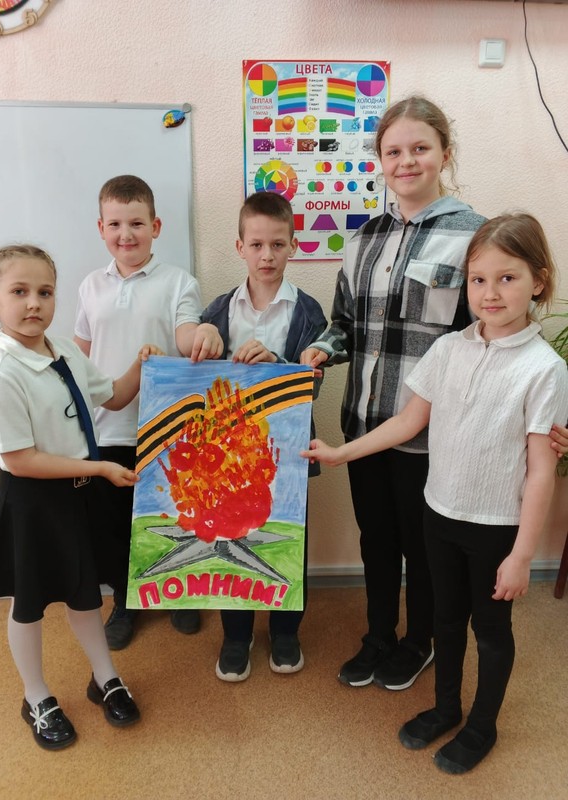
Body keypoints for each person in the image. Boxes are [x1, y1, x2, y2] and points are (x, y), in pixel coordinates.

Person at [302, 212, 568, 774]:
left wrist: (523, 555)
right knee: (445, 622)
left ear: (538, 281)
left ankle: (482, 726)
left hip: (496, 528)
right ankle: (446, 707)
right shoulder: (448, 349)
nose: (490, 293)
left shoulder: (544, 369)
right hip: (439, 514)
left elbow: (542, 471)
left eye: (507, 278)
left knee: (489, 631)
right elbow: (407, 422)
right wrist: (342, 453)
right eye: (478, 280)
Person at [301, 96, 487, 692]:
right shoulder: (362, 240)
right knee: (376, 541)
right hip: (363, 426)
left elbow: (484, 338)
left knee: (423, 548)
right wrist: (322, 348)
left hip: (430, 434)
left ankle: (418, 641)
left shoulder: (474, 237)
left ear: (444, 154)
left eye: (419, 148)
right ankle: (378, 635)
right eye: (393, 151)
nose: (406, 161)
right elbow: (345, 325)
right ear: (380, 161)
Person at [0, 245, 163, 750]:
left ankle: (104, 678)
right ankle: (35, 697)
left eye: (45, 291)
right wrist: (99, 467)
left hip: (76, 497)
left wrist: (141, 363)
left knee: (84, 595)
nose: (34, 303)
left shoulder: (64, 351)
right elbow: (20, 460)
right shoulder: (0, 372)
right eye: (19, 292)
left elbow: (113, 395)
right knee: (29, 604)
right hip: (31, 504)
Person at [74, 175, 223, 649]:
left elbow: (185, 334)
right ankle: (125, 600)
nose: (127, 234)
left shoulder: (179, 282)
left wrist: (203, 335)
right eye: (116, 224)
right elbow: (80, 354)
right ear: (101, 228)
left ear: (155, 227)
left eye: (137, 223)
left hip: (166, 429)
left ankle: (178, 593)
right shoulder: (90, 286)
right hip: (107, 430)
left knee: (172, 516)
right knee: (115, 525)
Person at [202, 191, 327, 681]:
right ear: (240, 247)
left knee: (286, 540)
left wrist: (279, 366)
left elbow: (314, 386)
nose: (267, 255)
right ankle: (236, 636)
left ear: (294, 245)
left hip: (288, 452)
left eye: (277, 244)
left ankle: (285, 631)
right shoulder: (218, 310)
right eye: (256, 245)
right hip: (229, 455)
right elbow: (200, 381)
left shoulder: (309, 312)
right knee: (230, 536)